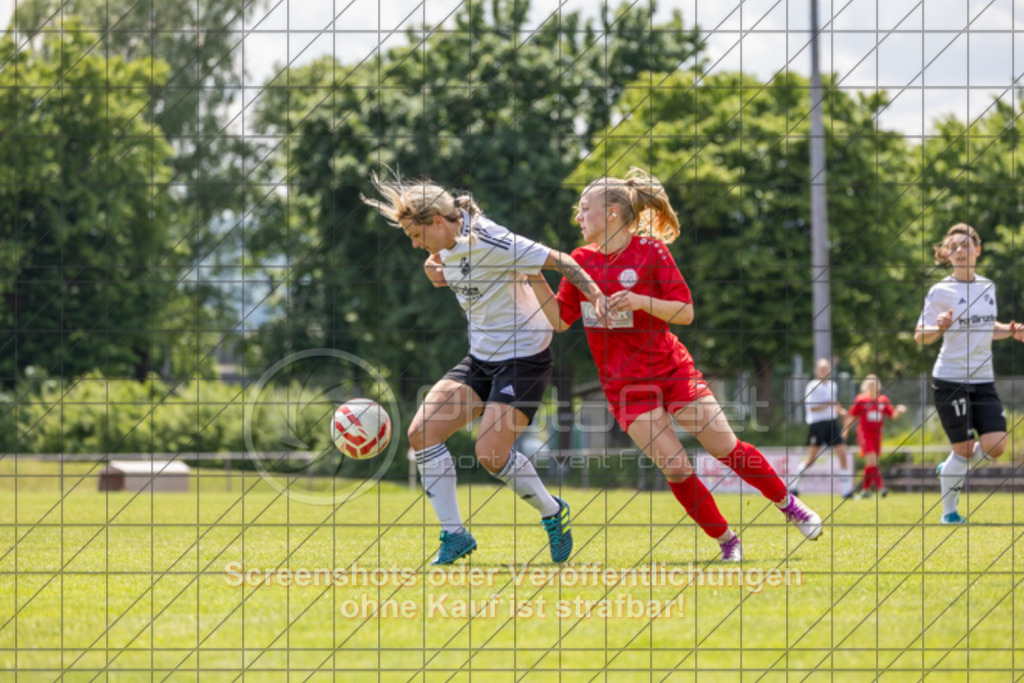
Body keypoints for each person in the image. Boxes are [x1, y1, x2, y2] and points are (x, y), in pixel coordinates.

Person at [527, 168, 823, 562]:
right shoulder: (579, 261)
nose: (578, 217)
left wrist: (638, 301)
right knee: (677, 468)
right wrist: (533, 276)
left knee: (724, 446)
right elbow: (561, 321)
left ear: (613, 212)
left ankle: (789, 505)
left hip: (671, 371)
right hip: (625, 387)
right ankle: (727, 540)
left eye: (585, 208)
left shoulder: (651, 252)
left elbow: (685, 311)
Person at [362, 172, 608, 564]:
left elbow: (560, 261)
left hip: (524, 360)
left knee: (491, 454)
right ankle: (454, 535)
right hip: (481, 358)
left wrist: (595, 294)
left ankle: (552, 511)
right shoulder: (448, 240)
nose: (414, 244)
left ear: (437, 222)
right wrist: (439, 273)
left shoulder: (492, 239)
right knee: (422, 433)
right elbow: (453, 267)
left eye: (416, 235)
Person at [914, 223, 1024, 524]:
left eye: (965, 245)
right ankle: (950, 514)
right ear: (947, 254)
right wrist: (939, 327)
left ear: (977, 250)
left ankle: (950, 468)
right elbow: (919, 335)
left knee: (997, 446)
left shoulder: (987, 287)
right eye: (953, 247)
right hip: (950, 380)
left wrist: (1011, 331)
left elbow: (987, 328)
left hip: (983, 379)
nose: (959, 251)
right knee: (963, 451)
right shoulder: (940, 291)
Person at [788, 358, 854, 499]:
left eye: (826, 368)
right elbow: (812, 407)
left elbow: (834, 406)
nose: (824, 371)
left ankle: (847, 491)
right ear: (816, 371)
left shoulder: (832, 386)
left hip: (832, 424)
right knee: (811, 459)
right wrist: (828, 404)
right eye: (821, 368)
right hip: (818, 425)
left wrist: (841, 412)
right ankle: (794, 486)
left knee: (843, 454)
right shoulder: (812, 386)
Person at [842, 374, 907, 498]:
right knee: (873, 460)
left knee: (870, 463)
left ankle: (865, 490)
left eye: (874, 384)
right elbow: (851, 417)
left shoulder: (883, 400)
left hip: (877, 435)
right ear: (865, 386)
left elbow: (892, 416)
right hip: (864, 434)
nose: (872, 387)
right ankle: (881, 488)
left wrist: (898, 410)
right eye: (869, 384)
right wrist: (845, 432)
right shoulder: (860, 400)